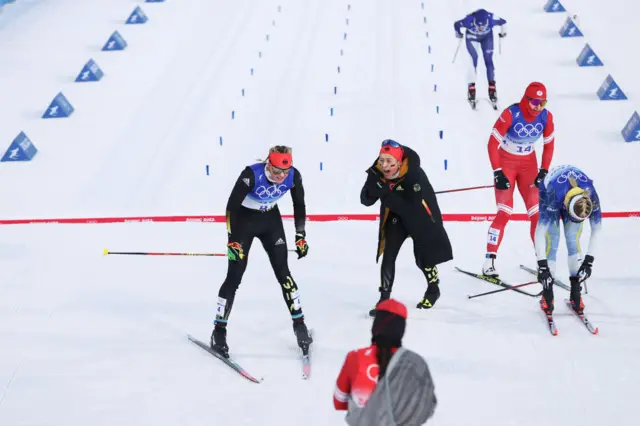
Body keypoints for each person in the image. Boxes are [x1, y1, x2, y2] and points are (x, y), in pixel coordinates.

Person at [210, 145, 312, 358]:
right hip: (243, 222)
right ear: (268, 164)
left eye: (284, 172)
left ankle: (299, 325)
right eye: (276, 172)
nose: (281, 177)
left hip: (270, 221)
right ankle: (219, 331)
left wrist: (300, 236)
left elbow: (299, 205)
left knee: (284, 273)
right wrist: (232, 241)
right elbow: (231, 208)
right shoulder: (251, 174)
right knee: (235, 276)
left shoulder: (294, 176)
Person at [360, 140, 453, 315]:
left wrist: (385, 192)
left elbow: (410, 207)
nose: (385, 166)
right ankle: (384, 300)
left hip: (419, 215)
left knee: (423, 258)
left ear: (400, 163)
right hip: (395, 216)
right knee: (389, 255)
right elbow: (365, 200)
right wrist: (373, 189)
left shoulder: (414, 173)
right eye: (382, 161)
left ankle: (433, 289)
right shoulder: (377, 170)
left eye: (390, 162)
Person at [483, 82, 555, 277]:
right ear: (526, 99)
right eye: (534, 102)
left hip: (528, 166)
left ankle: (542, 262)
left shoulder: (546, 117)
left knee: (536, 214)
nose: (538, 107)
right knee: (504, 212)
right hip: (506, 162)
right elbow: (491, 144)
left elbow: (549, 146)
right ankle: (489, 260)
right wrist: (497, 172)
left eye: (542, 103)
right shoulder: (511, 114)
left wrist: (543, 170)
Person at [333, 299, 437, 425]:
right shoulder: (416, 364)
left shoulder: (355, 358)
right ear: (401, 330)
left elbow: (339, 401)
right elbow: (428, 408)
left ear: (376, 326)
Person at [535, 165, 602, 315]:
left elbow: (597, 228)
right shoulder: (553, 193)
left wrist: (588, 261)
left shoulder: (590, 195)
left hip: (572, 195)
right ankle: (548, 293)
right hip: (550, 190)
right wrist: (543, 267)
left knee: (573, 240)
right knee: (552, 240)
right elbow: (540, 232)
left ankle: (576, 293)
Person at [454, 8, 507, 105]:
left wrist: (503, 33)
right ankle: (471, 87)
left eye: (483, 26)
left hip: (487, 37)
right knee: (473, 60)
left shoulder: (492, 18)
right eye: (478, 26)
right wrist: (458, 33)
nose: (480, 28)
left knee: (488, 60)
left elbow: (503, 22)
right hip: (472, 37)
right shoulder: (468, 20)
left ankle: (492, 86)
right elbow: (457, 24)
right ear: (474, 21)